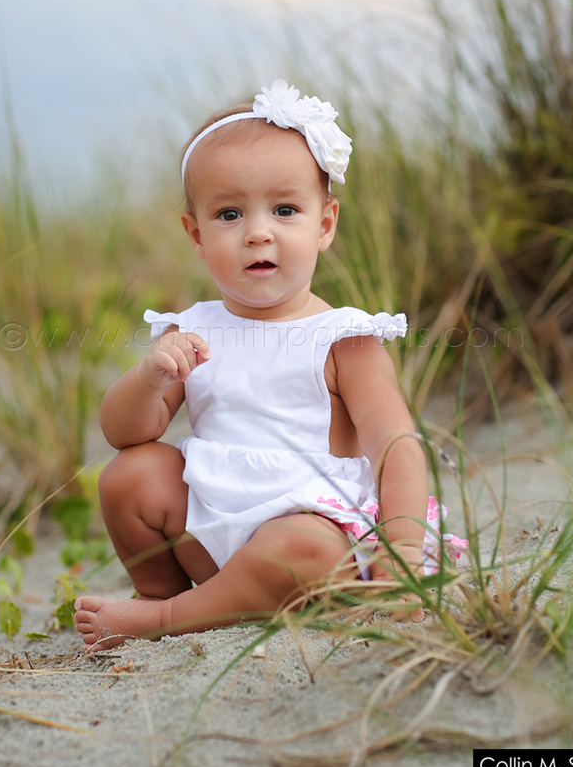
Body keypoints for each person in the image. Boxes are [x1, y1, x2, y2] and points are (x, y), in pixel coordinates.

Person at [75, 80, 465, 651]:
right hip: (212, 527)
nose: (259, 231)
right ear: (197, 236)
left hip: (313, 541)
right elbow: (123, 433)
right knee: (129, 475)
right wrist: (150, 377)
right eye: (230, 214)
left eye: (285, 210)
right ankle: (160, 593)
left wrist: (401, 548)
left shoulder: (342, 338)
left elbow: (395, 442)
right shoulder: (193, 330)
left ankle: (169, 620)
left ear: (325, 224)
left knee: (300, 546)